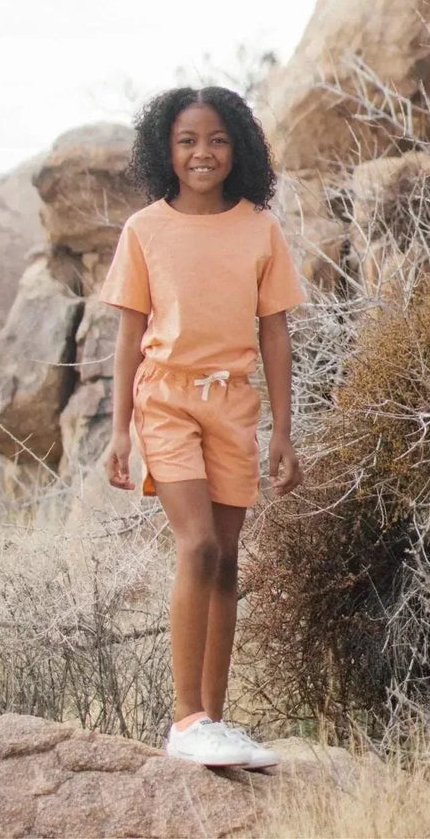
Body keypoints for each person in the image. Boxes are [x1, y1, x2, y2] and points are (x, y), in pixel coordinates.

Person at [98, 86, 306, 771]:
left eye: (216, 139)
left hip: (234, 404)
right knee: (197, 547)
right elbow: (129, 335)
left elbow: (274, 334)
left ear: (237, 146)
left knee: (225, 557)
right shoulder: (144, 231)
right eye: (187, 140)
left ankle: (213, 721)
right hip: (165, 400)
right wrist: (120, 430)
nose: (202, 152)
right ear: (166, 149)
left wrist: (282, 431)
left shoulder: (259, 228)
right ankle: (186, 719)